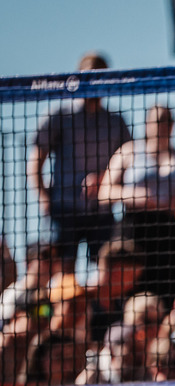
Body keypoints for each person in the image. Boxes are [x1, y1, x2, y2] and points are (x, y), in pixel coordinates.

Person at [26, 52, 132, 272]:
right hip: (63, 209)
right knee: (62, 272)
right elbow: (36, 159)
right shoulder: (58, 115)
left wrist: (104, 179)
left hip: (101, 212)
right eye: (89, 76)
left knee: (109, 269)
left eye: (100, 77)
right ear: (77, 77)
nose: (94, 83)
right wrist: (44, 197)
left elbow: (129, 161)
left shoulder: (116, 121)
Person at [98, 104, 175, 305]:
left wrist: (173, 203)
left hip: (168, 234)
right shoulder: (130, 151)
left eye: (167, 121)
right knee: (127, 287)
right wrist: (136, 196)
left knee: (165, 290)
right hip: (133, 231)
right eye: (157, 121)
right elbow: (105, 192)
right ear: (147, 124)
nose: (162, 126)